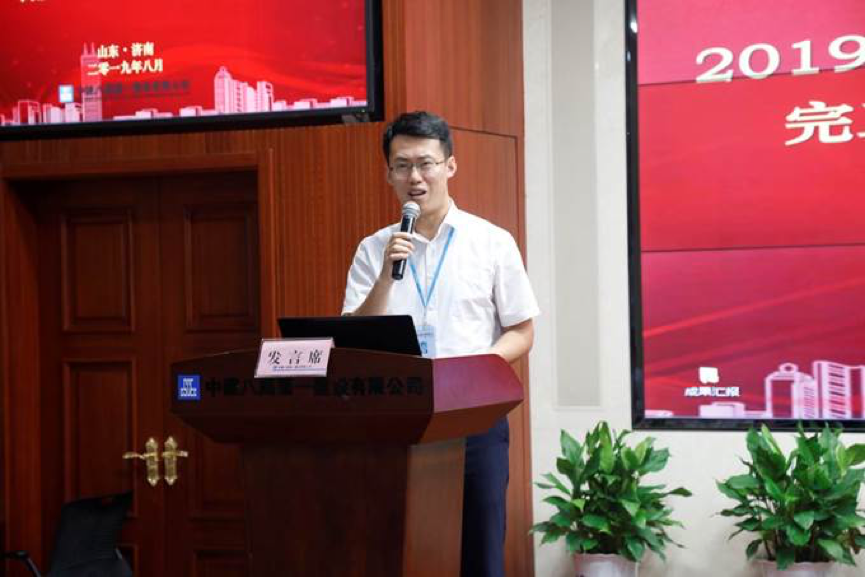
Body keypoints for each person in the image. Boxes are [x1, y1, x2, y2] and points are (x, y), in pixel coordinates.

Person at [342, 110, 539, 577]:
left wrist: (471, 371)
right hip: (396, 422)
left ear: (450, 165)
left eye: (425, 163)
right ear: (389, 174)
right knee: (400, 551)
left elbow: (522, 331)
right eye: (402, 166)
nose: (415, 177)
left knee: (480, 553)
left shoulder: (491, 242)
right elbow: (352, 336)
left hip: (474, 419)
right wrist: (385, 278)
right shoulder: (374, 249)